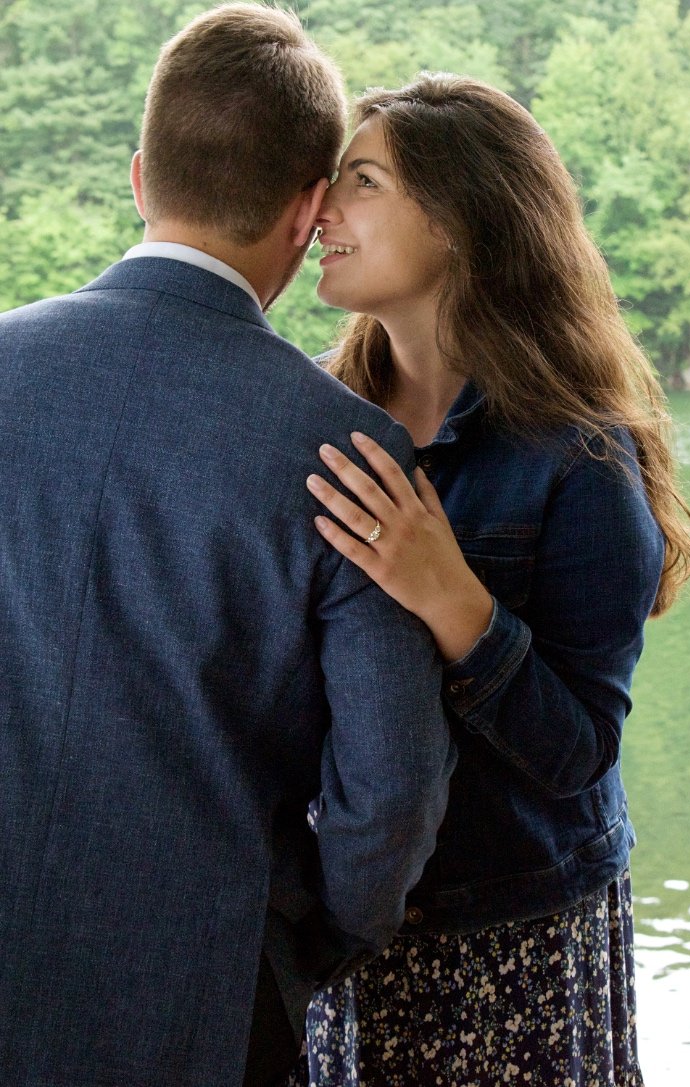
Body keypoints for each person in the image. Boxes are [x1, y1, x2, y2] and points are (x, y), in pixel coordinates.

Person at [0, 11, 457, 1086]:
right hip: (208, 997)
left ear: (138, 175)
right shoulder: (352, 450)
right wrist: (306, 948)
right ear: (309, 212)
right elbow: (386, 796)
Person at [290, 74, 690, 1086]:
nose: (319, 208)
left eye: (362, 180)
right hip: (343, 923)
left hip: (513, 933)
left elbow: (577, 751)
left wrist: (450, 597)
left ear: (461, 215)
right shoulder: (305, 419)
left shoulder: (578, 457)